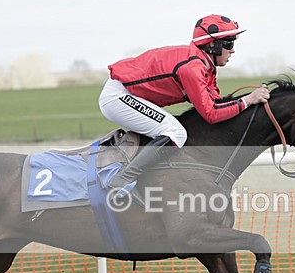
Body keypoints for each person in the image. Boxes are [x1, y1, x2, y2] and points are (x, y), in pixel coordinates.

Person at [99, 14, 271, 197]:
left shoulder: (205, 65)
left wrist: (249, 103)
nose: (233, 50)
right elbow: (212, 114)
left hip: (129, 94)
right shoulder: (192, 68)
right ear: (212, 45)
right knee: (176, 132)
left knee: (172, 129)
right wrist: (248, 100)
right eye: (229, 43)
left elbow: (217, 104)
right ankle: (122, 180)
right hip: (118, 97)